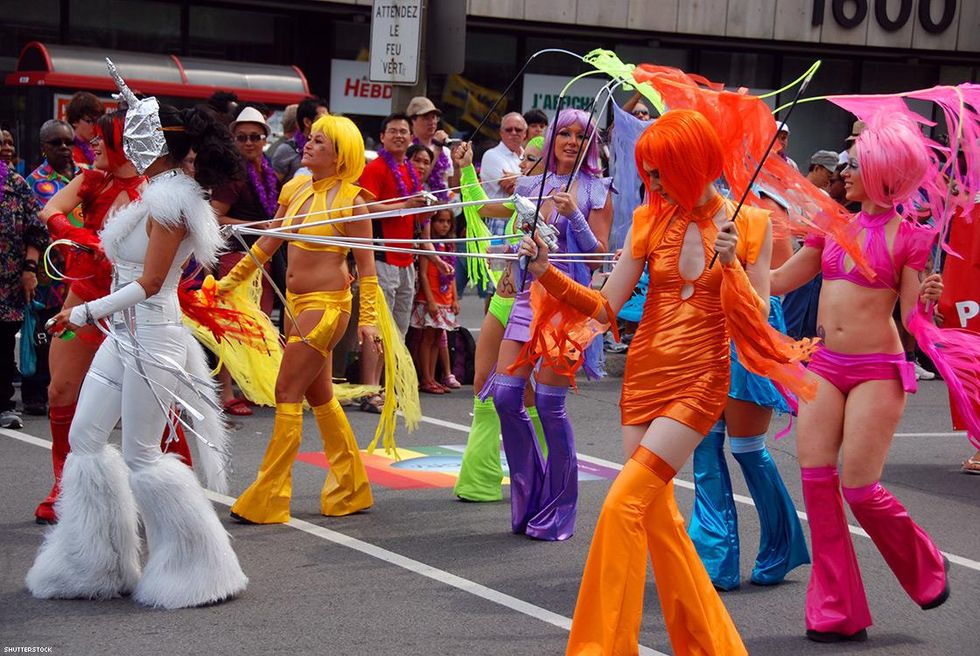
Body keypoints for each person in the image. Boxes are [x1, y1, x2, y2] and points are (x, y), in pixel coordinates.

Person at [517, 109, 823, 654]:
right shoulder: (648, 220)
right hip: (643, 376)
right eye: (647, 173)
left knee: (622, 505)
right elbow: (605, 306)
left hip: (700, 379)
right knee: (660, 522)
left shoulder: (748, 224)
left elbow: (756, 312)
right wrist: (546, 272)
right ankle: (713, 646)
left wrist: (730, 263)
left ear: (689, 163)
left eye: (659, 172)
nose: (651, 184)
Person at [26, 65, 248, 608]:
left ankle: (200, 569)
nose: (120, 140)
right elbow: (120, 262)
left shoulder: (172, 202)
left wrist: (82, 314)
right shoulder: (153, 194)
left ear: (153, 140)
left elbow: (150, 284)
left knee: (143, 455)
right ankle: (91, 562)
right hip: (124, 336)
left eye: (129, 132)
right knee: (84, 438)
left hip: (152, 337)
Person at [771, 114, 949, 642]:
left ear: (883, 172)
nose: (844, 170)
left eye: (855, 163)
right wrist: (735, 262)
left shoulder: (912, 239)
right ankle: (835, 610)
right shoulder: (831, 226)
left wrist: (930, 306)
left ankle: (926, 566)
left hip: (878, 371)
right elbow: (779, 282)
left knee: (861, 490)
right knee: (817, 484)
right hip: (824, 366)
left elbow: (915, 326)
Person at [225, 114, 390, 524]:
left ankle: (270, 496)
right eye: (311, 138)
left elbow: (367, 272)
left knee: (286, 391)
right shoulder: (295, 187)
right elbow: (269, 241)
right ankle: (351, 488)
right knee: (320, 397)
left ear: (340, 156)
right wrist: (230, 280)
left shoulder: (354, 202)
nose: (309, 145)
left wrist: (368, 321)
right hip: (294, 303)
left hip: (328, 306)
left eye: (320, 142)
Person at [33, 110, 191, 526]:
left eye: (102, 138)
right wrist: (85, 239)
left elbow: (156, 276)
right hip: (86, 301)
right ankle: (69, 493)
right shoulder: (91, 179)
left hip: (137, 316)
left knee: (148, 430)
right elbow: (50, 212)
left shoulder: (161, 194)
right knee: (63, 396)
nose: (92, 144)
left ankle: (177, 514)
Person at [486, 109, 613, 541]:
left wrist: (575, 215)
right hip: (525, 300)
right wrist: (513, 246)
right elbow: (502, 225)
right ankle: (529, 494)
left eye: (581, 136)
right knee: (505, 396)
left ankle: (558, 508)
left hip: (567, 310)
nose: (573, 141)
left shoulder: (598, 189)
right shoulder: (530, 185)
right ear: (553, 138)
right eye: (566, 134)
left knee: (550, 406)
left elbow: (597, 258)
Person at [687, 186, 810, 591]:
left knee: (746, 449)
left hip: (746, 336)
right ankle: (713, 559)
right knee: (704, 447)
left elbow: (767, 293)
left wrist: (731, 262)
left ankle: (781, 546)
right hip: (700, 336)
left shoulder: (764, 209)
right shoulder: (679, 210)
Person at [452, 136, 549, 502]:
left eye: (532, 159)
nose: (522, 164)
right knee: (482, 385)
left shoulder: (558, 203)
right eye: (523, 157)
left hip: (535, 306)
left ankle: (541, 469)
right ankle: (480, 480)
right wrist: (465, 170)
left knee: (525, 395)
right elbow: (479, 209)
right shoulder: (518, 201)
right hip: (502, 300)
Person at [357, 112, 430, 414]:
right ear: (383, 137)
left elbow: (414, 213)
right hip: (382, 257)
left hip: (405, 260)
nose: (399, 135)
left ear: (411, 137)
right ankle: (369, 391)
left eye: (404, 131)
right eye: (393, 131)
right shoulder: (375, 168)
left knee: (397, 330)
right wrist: (405, 205)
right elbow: (364, 208)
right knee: (376, 328)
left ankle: (385, 388)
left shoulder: (410, 171)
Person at [210, 106, 277, 416]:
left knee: (255, 324)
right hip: (235, 258)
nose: (249, 143)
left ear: (265, 138)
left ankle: (245, 385)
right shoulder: (231, 174)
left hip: (261, 258)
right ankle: (225, 392)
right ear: (233, 140)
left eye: (255, 136)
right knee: (230, 325)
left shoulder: (269, 171)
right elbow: (214, 217)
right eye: (242, 137)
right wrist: (256, 227)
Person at [22, 120, 78, 416]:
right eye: (56, 143)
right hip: (49, 271)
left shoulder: (84, 175)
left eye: (68, 142)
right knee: (44, 330)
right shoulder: (34, 182)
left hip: (81, 270)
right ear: (44, 148)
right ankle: (35, 392)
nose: (64, 148)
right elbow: (33, 227)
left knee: (75, 331)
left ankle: (69, 389)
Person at [0, 151, 47, 430]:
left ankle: (4, 405)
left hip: (8, 286)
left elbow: (37, 231)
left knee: (3, 346)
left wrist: (30, 269)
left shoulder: (15, 185)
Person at [411, 209, 459, 394]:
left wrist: (455, 298)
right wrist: (430, 300)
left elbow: (452, 273)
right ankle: (427, 378)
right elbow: (423, 274)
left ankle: (433, 377)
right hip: (430, 298)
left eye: (448, 221)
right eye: (440, 221)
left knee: (438, 338)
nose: (444, 225)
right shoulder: (428, 248)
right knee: (428, 338)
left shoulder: (449, 246)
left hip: (445, 299)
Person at [407, 96, 457, 198]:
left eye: (434, 117)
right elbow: (417, 182)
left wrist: (457, 165)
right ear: (412, 120)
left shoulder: (445, 151)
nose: (432, 122)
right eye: (426, 117)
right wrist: (437, 149)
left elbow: (456, 188)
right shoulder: (407, 148)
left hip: (443, 205)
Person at [272, 96, 328, 183]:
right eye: (322, 119)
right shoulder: (286, 150)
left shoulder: (328, 147)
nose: (327, 123)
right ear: (307, 122)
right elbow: (273, 188)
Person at [480, 112, 526, 203]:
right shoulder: (491, 155)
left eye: (518, 129)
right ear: (501, 133)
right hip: (499, 216)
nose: (513, 132)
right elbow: (511, 189)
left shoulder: (528, 156)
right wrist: (534, 179)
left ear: (525, 133)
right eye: (509, 129)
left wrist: (517, 178)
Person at [65, 92, 104, 167]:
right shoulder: (67, 152)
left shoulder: (99, 149)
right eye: (90, 121)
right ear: (75, 121)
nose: (95, 126)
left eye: (98, 121)